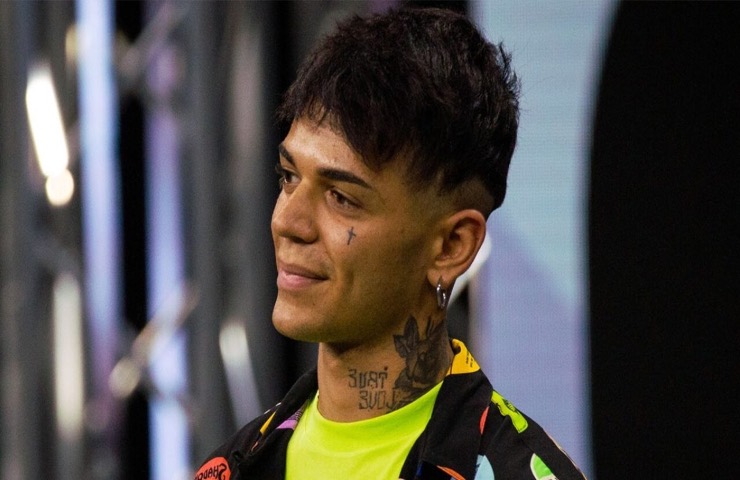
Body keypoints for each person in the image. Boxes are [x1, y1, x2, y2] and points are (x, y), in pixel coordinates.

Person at [194, 7, 586, 480]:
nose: (287, 222)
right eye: (289, 176)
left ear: (452, 246)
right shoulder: (231, 468)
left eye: (341, 198)